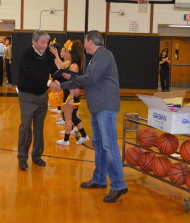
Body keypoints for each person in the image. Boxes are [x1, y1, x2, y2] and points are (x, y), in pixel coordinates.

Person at [58, 30, 128, 203]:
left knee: (109, 145)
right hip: (97, 108)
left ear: (90, 41)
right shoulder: (96, 58)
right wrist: (64, 83)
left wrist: (66, 80)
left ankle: (119, 185)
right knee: (99, 144)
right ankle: (99, 178)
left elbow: (90, 78)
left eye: (85, 41)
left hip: (106, 108)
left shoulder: (103, 54)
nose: (84, 45)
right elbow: (88, 78)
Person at [17, 30, 58, 170]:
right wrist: (49, 83)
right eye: (42, 42)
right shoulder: (26, 54)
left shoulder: (47, 55)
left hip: (42, 96)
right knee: (26, 127)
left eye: (47, 42)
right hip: (27, 96)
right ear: (34, 42)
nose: (45, 45)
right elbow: (30, 73)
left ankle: (37, 156)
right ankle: (22, 157)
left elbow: (54, 71)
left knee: (39, 128)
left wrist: (62, 80)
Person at [51, 40, 89, 146]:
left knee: (68, 118)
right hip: (69, 93)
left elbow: (74, 82)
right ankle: (84, 136)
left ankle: (66, 140)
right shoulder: (72, 64)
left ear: (72, 53)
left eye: (67, 52)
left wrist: (71, 97)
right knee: (73, 117)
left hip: (70, 95)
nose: (65, 53)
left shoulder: (73, 66)